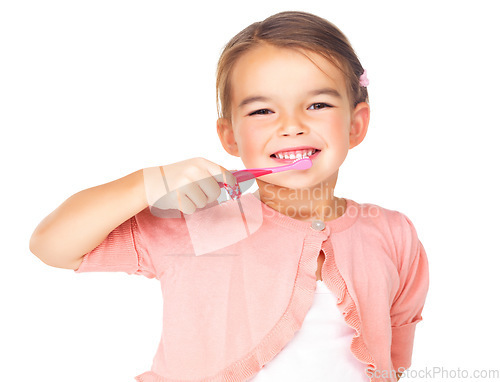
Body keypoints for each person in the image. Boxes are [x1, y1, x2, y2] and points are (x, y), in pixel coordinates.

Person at [29, 10, 429, 382]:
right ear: (229, 136)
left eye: (318, 104)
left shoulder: (394, 234)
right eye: (262, 112)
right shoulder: (195, 223)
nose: (291, 126)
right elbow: (52, 246)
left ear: (356, 125)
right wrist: (147, 183)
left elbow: (394, 361)